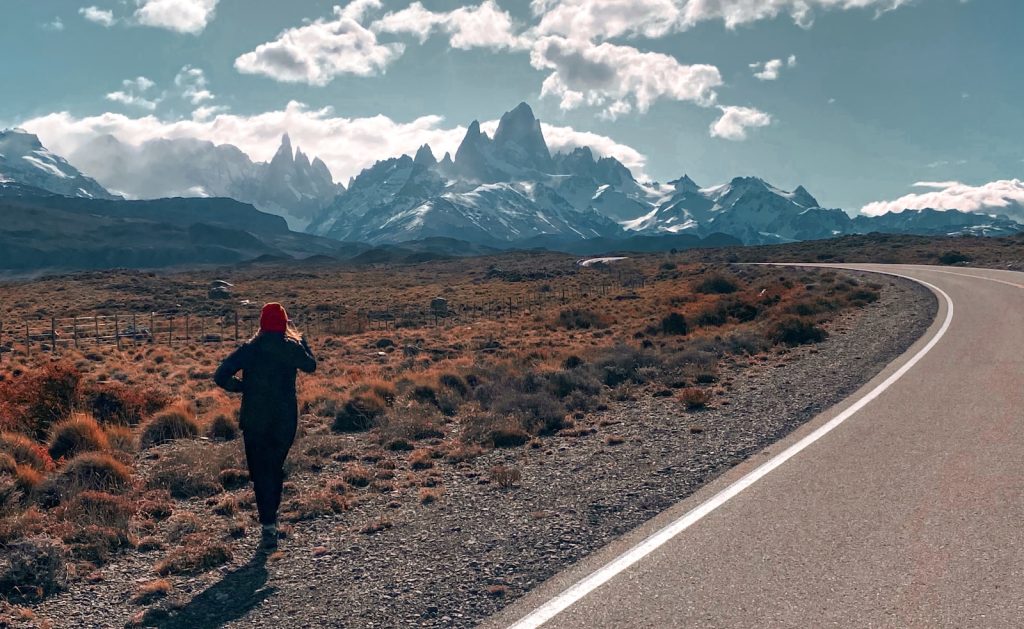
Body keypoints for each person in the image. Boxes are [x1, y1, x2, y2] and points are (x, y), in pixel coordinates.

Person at [214, 303, 316, 550]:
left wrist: (242, 388)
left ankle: (268, 524)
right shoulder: (291, 347)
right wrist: (301, 339)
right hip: (284, 418)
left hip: (255, 419)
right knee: (275, 467)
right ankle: (272, 520)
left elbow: (220, 376)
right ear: (284, 323)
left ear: (261, 324)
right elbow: (311, 365)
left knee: (260, 471)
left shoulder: (250, 348)